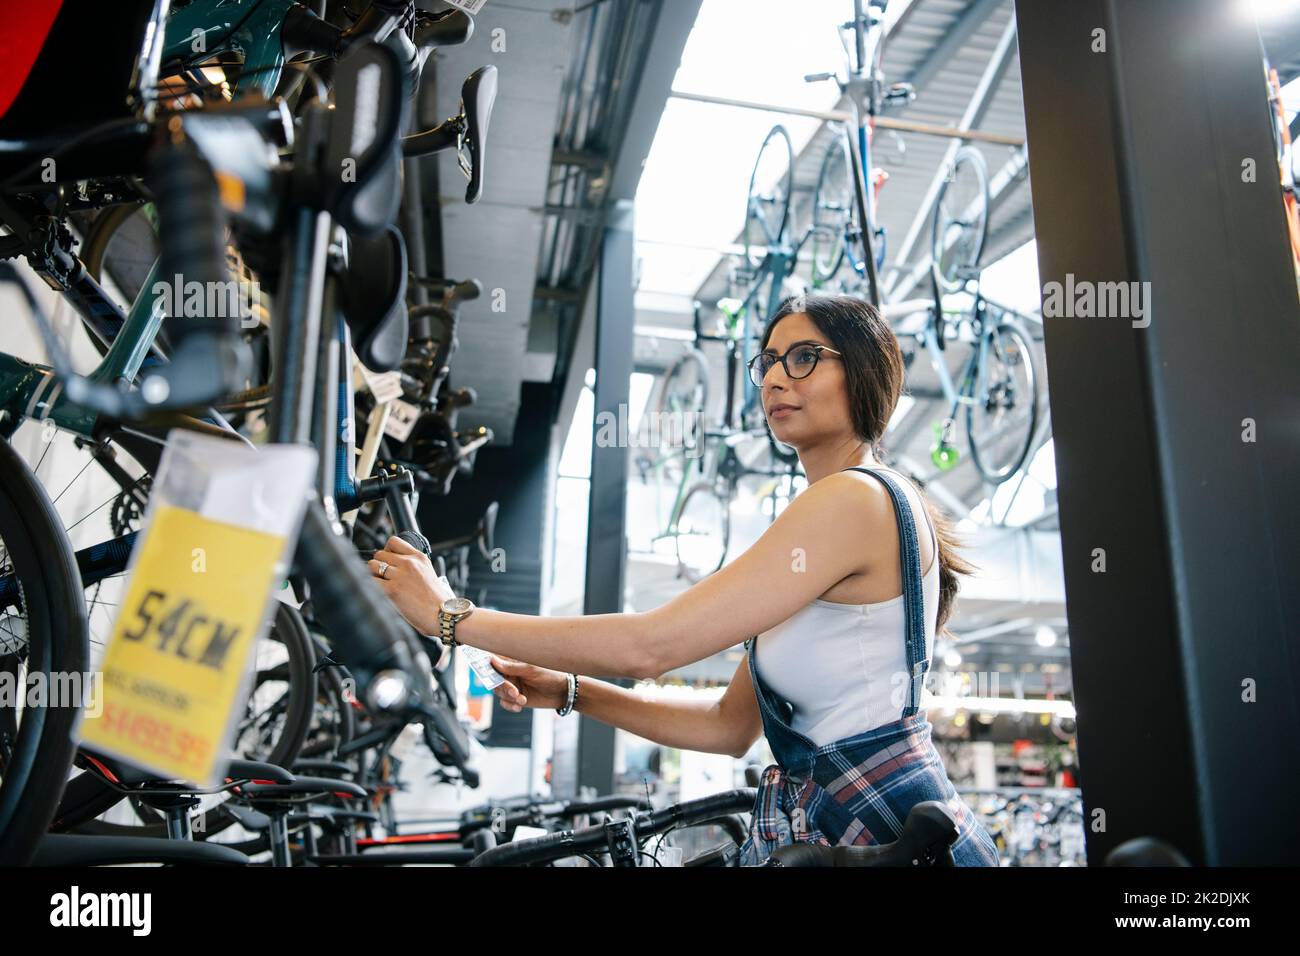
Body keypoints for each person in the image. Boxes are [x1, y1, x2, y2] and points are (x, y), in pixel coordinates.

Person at [369, 293, 1000, 865]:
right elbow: (728, 727)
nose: (777, 376)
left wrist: (450, 616)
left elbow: (654, 645)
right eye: (769, 361)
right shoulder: (835, 515)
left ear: (865, 373)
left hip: (882, 828)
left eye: (805, 357)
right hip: (856, 826)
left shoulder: (853, 500)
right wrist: (571, 691)